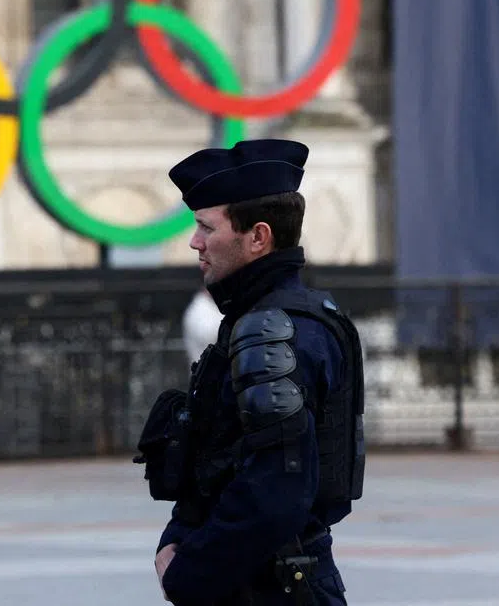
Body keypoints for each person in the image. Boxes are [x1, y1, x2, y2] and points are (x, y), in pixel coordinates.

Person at [134, 139, 366, 605]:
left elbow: (275, 492)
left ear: (258, 237)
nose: (194, 242)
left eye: (206, 227)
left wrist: (188, 571)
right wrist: (177, 539)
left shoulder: (274, 329)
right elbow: (216, 458)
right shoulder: (262, 317)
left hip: (271, 588)